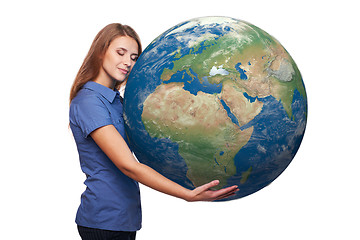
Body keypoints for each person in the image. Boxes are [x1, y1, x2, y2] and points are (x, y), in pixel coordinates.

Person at [69, 23, 239, 240]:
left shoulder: (117, 102)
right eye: (120, 53)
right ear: (101, 51)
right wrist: (187, 195)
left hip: (124, 219)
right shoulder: (89, 102)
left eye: (133, 58)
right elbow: (127, 165)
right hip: (103, 221)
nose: (127, 63)